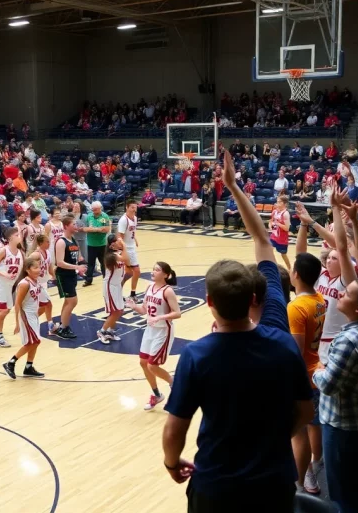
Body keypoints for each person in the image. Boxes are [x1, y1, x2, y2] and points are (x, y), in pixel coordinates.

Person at [162, 149, 314, 512]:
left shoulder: (197, 355)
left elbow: (174, 431)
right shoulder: (279, 332)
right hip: (273, 478)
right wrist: (233, 186)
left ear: (209, 302)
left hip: (217, 483)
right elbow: (306, 413)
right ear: (254, 296)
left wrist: (171, 463)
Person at [313, 189, 358, 513]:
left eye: (346, 294)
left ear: (356, 308)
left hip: (344, 428)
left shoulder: (348, 341)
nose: (341, 293)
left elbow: (327, 384)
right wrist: (354, 221)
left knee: (344, 496)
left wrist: (314, 369)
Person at [286, 245, 326, 495]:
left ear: (297, 275)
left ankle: (301, 481)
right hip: (316, 369)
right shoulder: (320, 299)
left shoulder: (296, 308)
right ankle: (315, 466)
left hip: (302, 376)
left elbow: (295, 351)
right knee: (315, 424)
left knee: (298, 432)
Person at [126, 262, 181, 410]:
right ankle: (157, 395)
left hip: (163, 331)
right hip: (150, 330)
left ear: (165, 275)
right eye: (153, 269)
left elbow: (177, 313)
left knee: (152, 365)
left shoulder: (168, 291)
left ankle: (174, 383)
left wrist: (159, 317)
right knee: (143, 363)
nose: (153, 272)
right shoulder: (149, 287)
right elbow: (144, 310)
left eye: (157, 270)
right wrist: (134, 306)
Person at [2, 257, 47, 380]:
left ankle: (28, 367)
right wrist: (17, 322)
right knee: (33, 342)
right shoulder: (24, 284)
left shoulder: (35, 281)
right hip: (26, 315)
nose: (38, 270)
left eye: (39, 267)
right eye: (35, 267)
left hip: (33, 315)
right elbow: (17, 304)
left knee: (36, 342)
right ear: (28, 270)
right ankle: (10, 363)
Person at [54, 216, 87, 339]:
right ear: (66, 226)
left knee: (68, 301)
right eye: (74, 224)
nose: (76, 225)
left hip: (71, 275)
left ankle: (62, 325)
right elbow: (60, 262)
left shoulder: (73, 239)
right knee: (73, 301)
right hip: (63, 275)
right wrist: (76, 268)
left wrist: (82, 265)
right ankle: (63, 328)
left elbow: (77, 257)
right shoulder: (61, 241)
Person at [27, 233, 59, 335]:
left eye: (49, 241)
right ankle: (51, 326)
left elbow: (49, 267)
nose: (49, 243)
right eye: (47, 242)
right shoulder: (36, 254)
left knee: (43, 306)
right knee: (48, 303)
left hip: (44, 282)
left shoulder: (48, 253)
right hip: (37, 282)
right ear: (40, 243)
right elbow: (27, 265)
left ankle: (29, 322)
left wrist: (54, 277)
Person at [99, 234, 129, 344]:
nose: (120, 242)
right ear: (112, 245)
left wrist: (122, 247)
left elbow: (127, 260)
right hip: (110, 286)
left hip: (117, 286)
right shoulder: (111, 256)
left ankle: (110, 331)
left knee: (120, 310)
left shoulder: (118, 254)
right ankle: (102, 331)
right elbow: (125, 258)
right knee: (115, 311)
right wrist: (124, 245)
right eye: (118, 241)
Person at [82, 201, 110, 287]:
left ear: (100, 208)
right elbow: (85, 229)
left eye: (96, 210)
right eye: (93, 210)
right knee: (91, 263)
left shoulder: (104, 216)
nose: (94, 211)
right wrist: (99, 229)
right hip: (91, 244)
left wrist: (93, 229)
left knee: (103, 262)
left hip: (102, 244)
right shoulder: (89, 216)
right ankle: (88, 280)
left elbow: (106, 229)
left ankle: (106, 278)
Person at [117, 200, 141, 300]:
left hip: (132, 247)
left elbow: (132, 231)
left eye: (135, 207)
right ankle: (128, 292)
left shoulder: (135, 218)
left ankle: (123, 291)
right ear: (127, 207)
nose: (134, 209)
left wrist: (134, 239)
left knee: (131, 272)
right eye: (132, 207)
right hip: (126, 249)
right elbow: (119, 237)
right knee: (135, 271)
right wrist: (122, 250)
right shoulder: (123, 220)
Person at [270, 196, 291, 269]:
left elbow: (287, 228)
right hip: (274, 236)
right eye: (277, 201)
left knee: (283, 255)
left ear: (285, 204)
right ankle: (275, 267)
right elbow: (271, 222)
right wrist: (272, 227)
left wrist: (278, 223)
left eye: (279, 202)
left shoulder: (285, 214)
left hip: (282, 239)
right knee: (269, 251)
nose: (277, 203)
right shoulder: (274, 211)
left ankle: (290, 269)